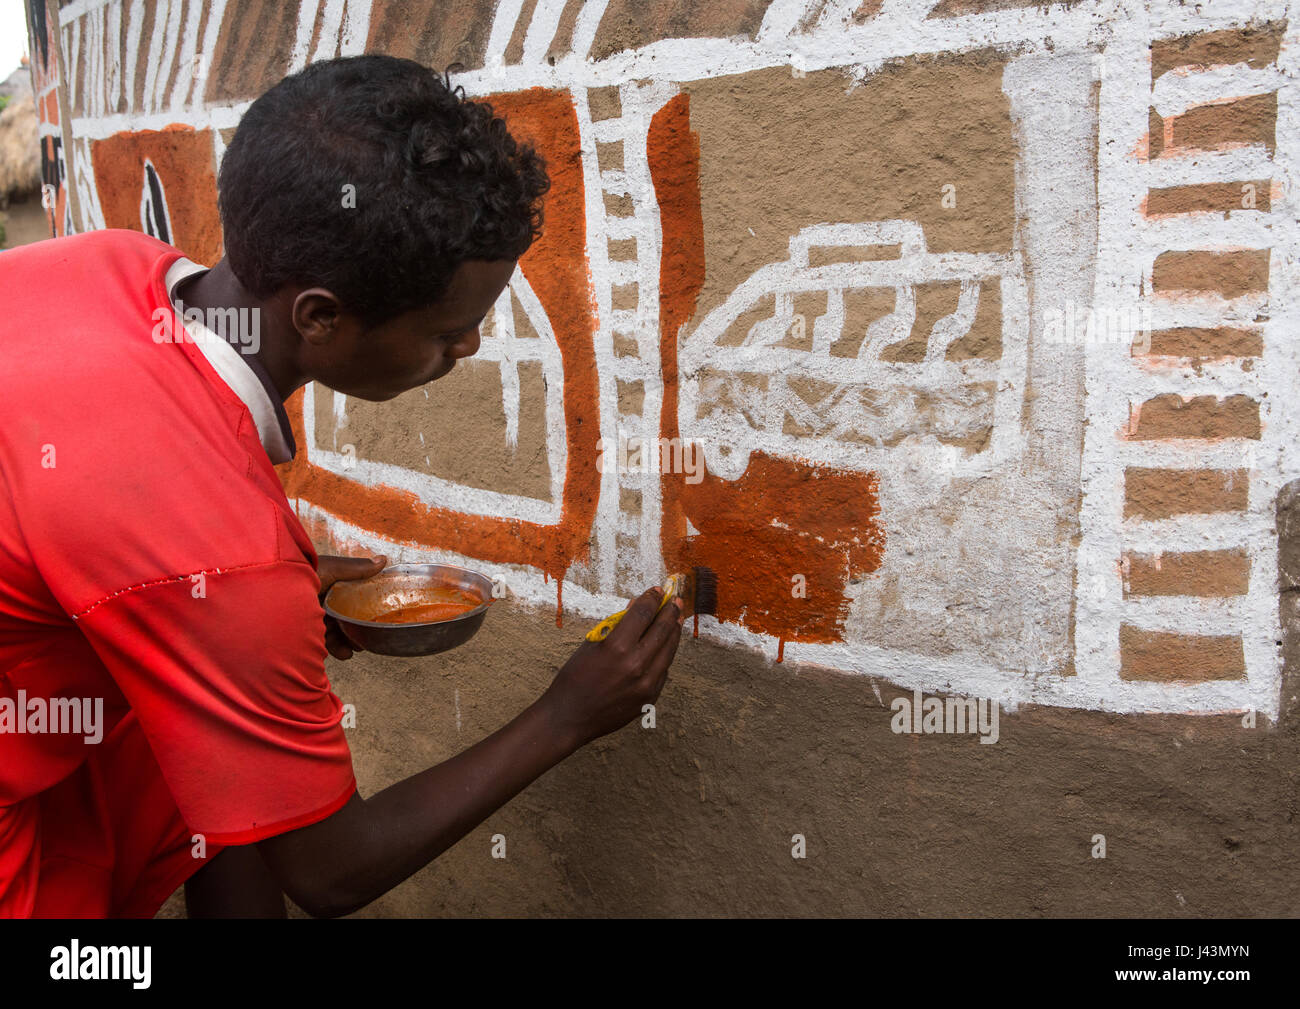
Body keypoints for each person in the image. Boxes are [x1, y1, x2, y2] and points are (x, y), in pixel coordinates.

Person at [0, 53, 683, 918]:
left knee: (200, 743)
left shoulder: (107, 264)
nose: (467, 348)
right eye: (450, 330)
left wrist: (234, 598)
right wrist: (565, 717)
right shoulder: (221, 554)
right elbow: (327, 870)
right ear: (319, 317)